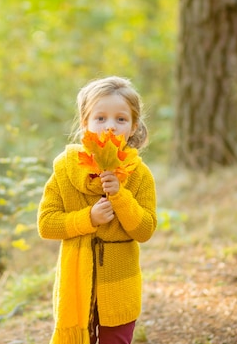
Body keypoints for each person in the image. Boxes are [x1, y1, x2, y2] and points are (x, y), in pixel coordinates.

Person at [37, 76, 157, 344]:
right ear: (85, 123)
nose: (110, 127)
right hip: (77, 285)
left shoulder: (140, 175)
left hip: (120, 282)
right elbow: (46, 224)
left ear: (134, 125)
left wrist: (119, 195)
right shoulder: (65, 168)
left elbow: (145, 229)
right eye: (100, 118)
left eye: (121, 119)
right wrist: (88, 218)